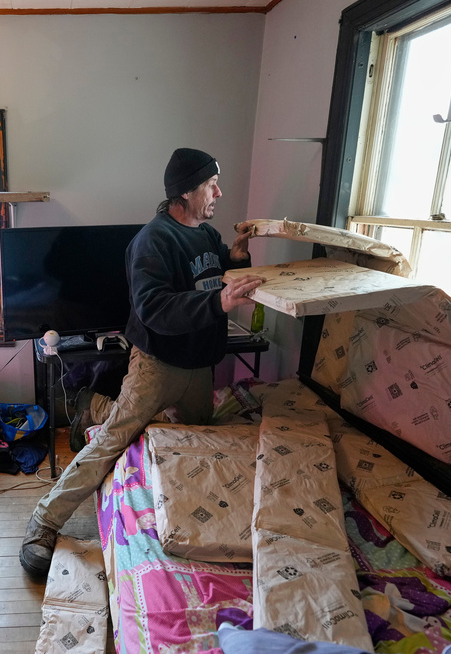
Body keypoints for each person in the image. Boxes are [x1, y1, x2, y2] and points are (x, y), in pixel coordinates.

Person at [19, 148, 266, 578]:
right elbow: (156, 308)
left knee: (194, 447)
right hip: (156, 364)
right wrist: (219, 301)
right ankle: (43, 522)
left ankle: (94, 407)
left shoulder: (206, 235)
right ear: (186, 192)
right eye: (211, 185)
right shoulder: (152, 242)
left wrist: (238, 255)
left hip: (198, 368)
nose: (219, 192)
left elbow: (216, 274)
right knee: (109, 444)